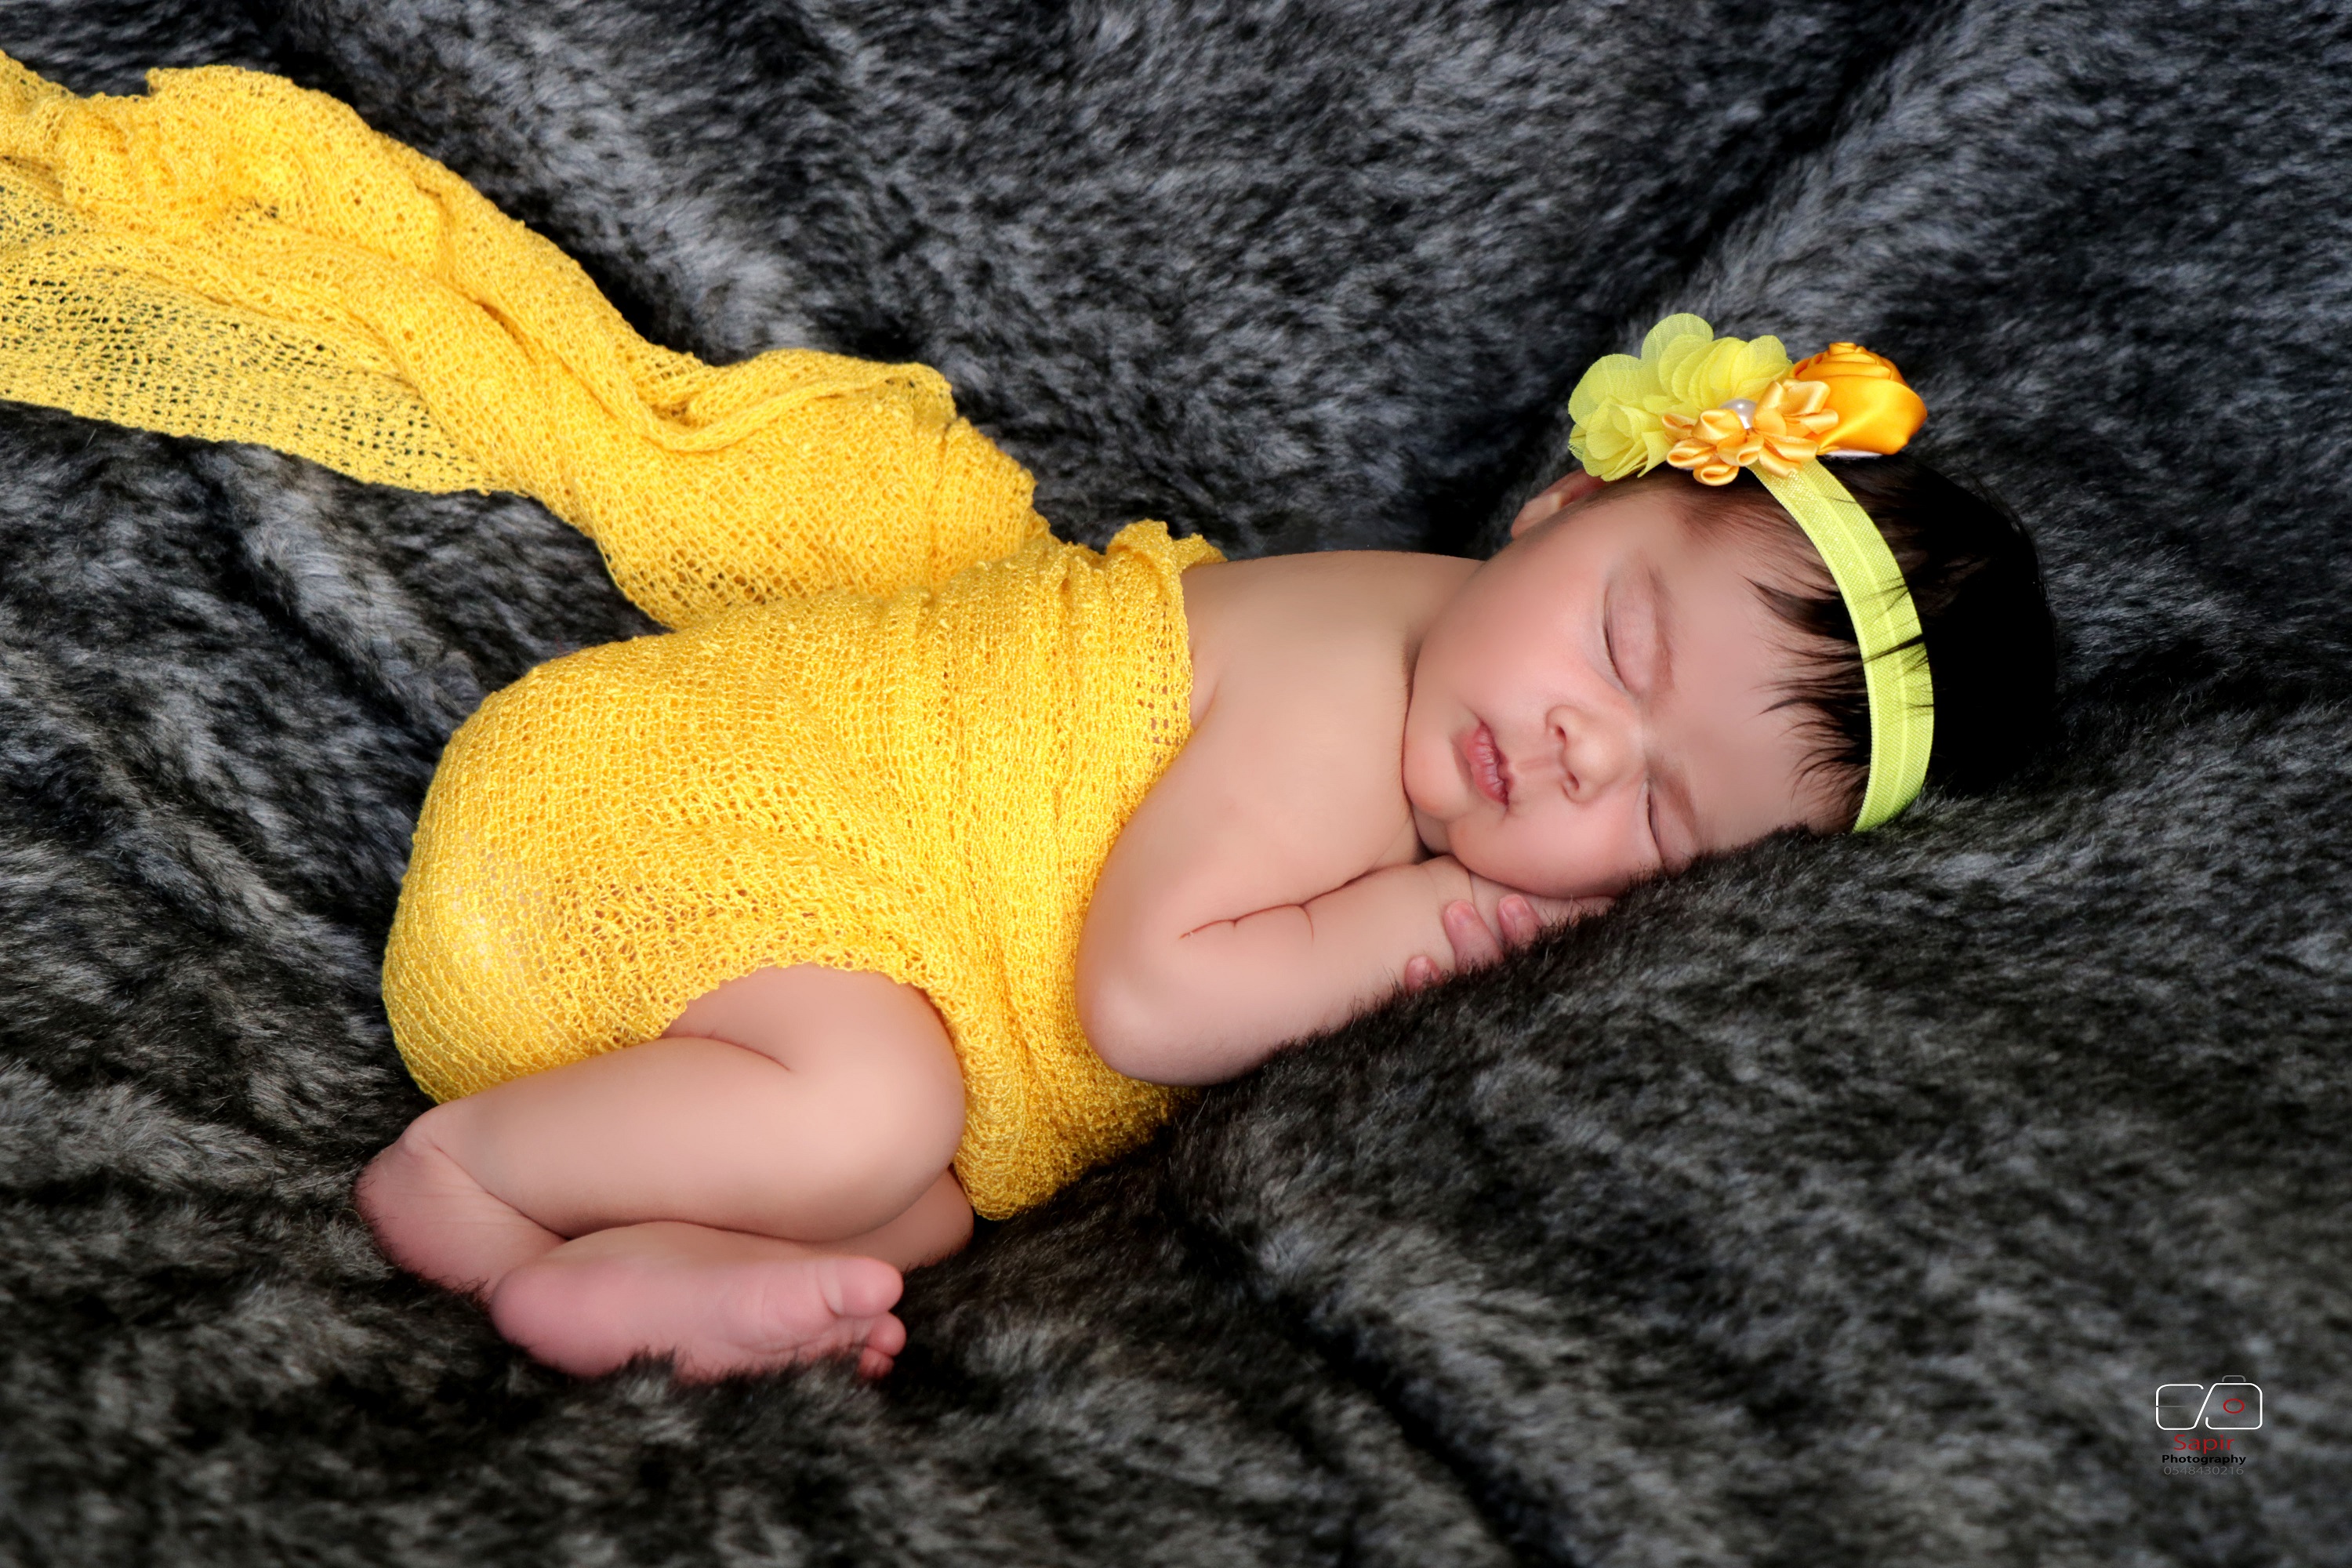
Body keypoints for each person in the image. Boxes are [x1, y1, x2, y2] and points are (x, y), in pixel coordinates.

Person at [0, 59, 2054, 1382]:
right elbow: (1149, 996)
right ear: (1565, 505)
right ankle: (469, 1188)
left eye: (1665, 819)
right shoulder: (1345, 682)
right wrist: (1428, 925)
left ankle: (631, 1247)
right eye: (1620, 643)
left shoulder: (1456, 665)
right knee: (876, 1116)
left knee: (915, 1203)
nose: (1590, 749)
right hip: (635, 846)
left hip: (744, 970)